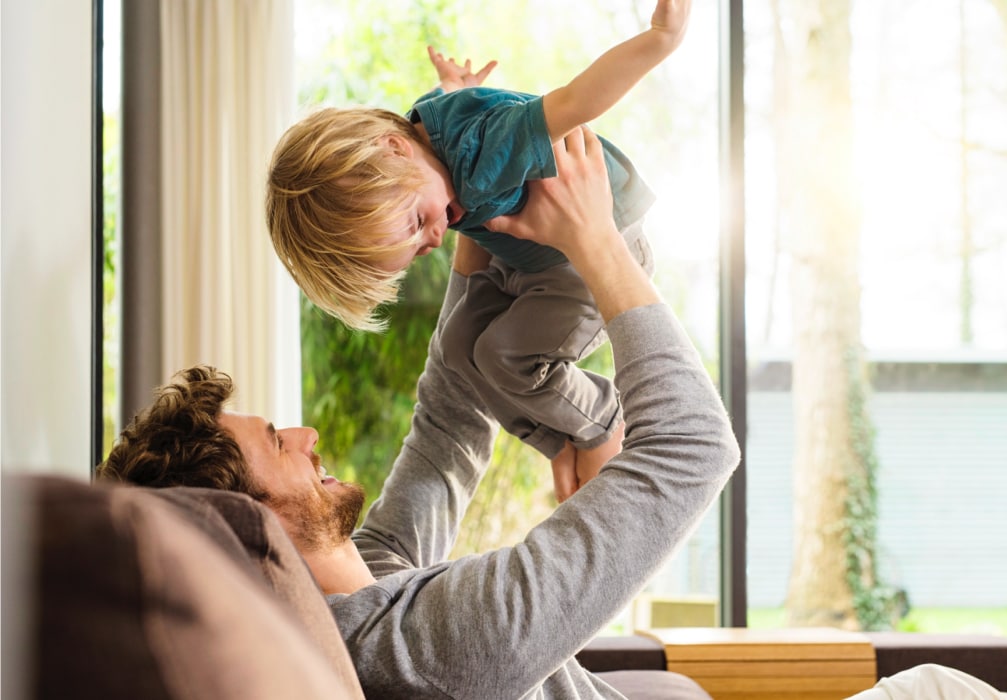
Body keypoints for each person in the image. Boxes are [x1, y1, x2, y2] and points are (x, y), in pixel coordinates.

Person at [99, 125, 741, 699]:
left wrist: (468, 215)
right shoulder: (427, 653)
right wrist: (598, 241)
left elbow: (449, 416)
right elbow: (693, 449)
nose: (306, 434)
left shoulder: (367, 581)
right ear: (248, 523)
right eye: (275, 443)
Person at [265, 0, 690, 502]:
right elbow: (459, 112)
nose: (438, 238)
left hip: (587, 261)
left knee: (502, 355)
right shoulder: (422, 140)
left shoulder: (480, 155)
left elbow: (575, 101)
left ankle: (601, 420)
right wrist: (460, 90)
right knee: (457, 349)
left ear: (392, 149)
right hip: (529, 263)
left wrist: (659, 39)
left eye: (420, 223)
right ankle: (558, 437)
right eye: (419, 250)